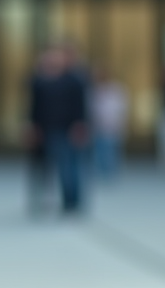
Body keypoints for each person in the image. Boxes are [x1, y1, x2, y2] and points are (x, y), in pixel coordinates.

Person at [27, 45, 87, 214]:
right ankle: (45, 200)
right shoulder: (40, 81)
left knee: (68, 166)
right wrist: (33, 126)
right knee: (44, 167)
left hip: (67, 129)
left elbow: (80, 106)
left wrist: (80, 125)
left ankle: (71, 202)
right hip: (46, 129)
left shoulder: (73, 80)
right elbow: (34, 107)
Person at [90, 68, 128, 179]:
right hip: (98, 125)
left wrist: (120, 121)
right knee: (100, 149)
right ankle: (102, 171)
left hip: (112, 124)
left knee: (111, 149)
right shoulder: (94, 90)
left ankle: (110, 171)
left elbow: (122, 107)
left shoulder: (116, 89)